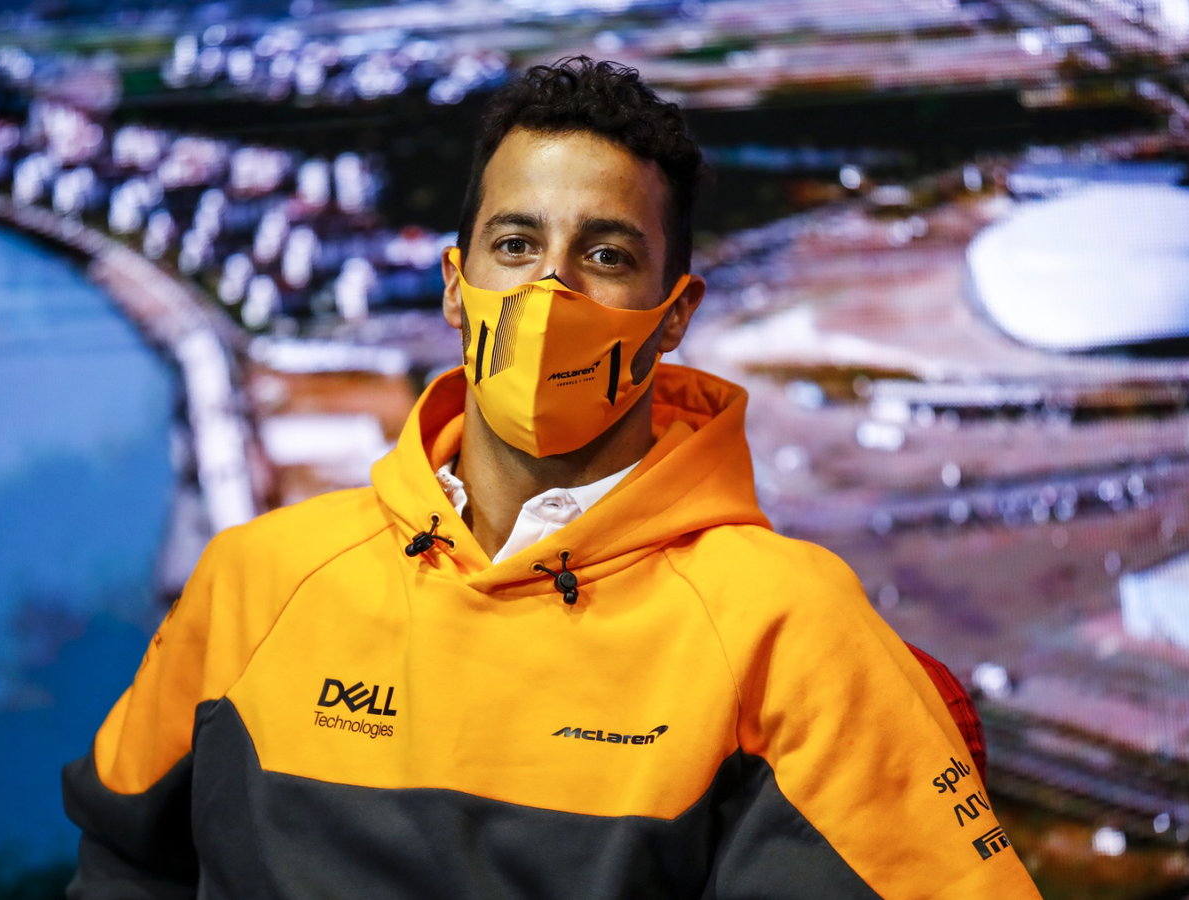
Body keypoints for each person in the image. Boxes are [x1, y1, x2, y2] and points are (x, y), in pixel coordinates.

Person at [62, 56, 1041, 898]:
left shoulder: (788, 632)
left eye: (605, 254)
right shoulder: (258, 581)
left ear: (673, 315)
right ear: (457, 287)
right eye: (516, 245)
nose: (549, 290)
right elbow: (123, 859)